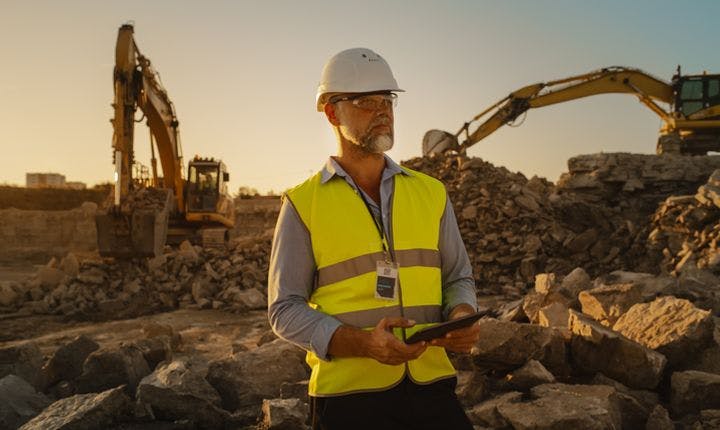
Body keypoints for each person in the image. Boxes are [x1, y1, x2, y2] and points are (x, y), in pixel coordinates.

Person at [268, 47, 479, 430]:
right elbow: (284, 309)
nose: (383, 111)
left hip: (432, 386)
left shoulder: (432, 193)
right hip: (348, 398)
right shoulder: (302, 204)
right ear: (332, 112)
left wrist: (461, 315)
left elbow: (458, 277)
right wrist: (363, 344)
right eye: (366, 101)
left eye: (388, 100)